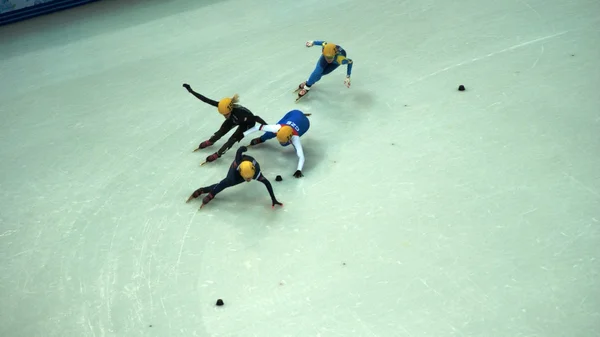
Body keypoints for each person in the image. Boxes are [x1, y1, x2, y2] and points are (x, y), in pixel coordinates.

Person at [182, 83, 268, 164]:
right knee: (221, 131)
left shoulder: (241, 114)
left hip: (247, 124)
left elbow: (256, 118)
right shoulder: (225, 108)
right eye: (223, 114)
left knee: (232, 140)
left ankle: (218, 154)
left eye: (226, 114)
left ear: (230, 110)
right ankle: (211, 141)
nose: (224, 116)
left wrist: (267, 127)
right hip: (234, 118)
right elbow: (206, 100)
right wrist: (191, 90)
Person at [186, 146, 283, 209]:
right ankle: (203, 190)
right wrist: (210, 196)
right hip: (237, 171)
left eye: (250, 178)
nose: (248, 180)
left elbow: (267, 183)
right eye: (247, 178)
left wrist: (273, 199)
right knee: (228, 182)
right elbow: (239, 151)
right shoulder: (237, 165)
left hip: (247, 166)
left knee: (227, 182)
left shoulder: (256, 172)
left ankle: (203, 190)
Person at [244, 109, 311, 178]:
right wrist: (244, 134)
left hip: (305, 124)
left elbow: (301, 156)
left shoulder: (295, 138)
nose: (279, 142)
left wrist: (299, 170)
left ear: (290, 138)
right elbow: (259, 127)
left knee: (284, 144)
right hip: (293, 114)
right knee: (271, 133)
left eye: (281, 141)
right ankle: (262, 139)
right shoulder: (277, 127)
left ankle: (301, 116)